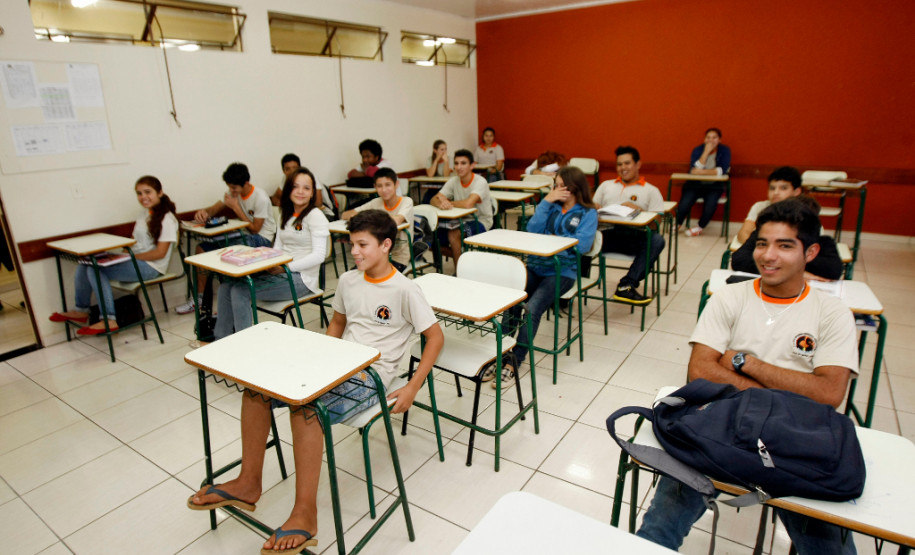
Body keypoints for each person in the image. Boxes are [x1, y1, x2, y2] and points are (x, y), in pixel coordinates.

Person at [188, 210, 444, 555]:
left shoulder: (405, 289)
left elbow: (435, 337)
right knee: (256, 391)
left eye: (362, 245)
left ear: (386, 245)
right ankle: (249, 483)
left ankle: (305, 514)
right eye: (352, 244)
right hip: (336, 364)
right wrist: (322, 356)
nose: (354, 251)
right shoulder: (349, 280)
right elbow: (338, 322)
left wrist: (412, 386)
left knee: (306, 409)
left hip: (371, 376)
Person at [636, 198, 859, 554]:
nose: (768, 256)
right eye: (761, 243)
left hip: (794, 441)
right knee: (659, 526)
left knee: (829, 546)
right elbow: (700, 371)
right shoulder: (729, 297)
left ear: (811, 252)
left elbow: (829, 393)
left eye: (784, 246)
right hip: (720, 429)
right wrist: (790, 388)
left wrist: (744, 362)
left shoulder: (832, 313)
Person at [493, 166, 597, 387]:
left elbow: (582, 245)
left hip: (562, 272)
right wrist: (546, 202)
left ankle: (514, 361)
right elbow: (533, 229)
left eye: (561, 187)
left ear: (574, 188)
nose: (556, 191)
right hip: (536, 266)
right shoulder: (551, 207)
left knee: (532, 308)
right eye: (555, 186)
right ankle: (500, 354)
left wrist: (551, 242)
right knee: (512, 301)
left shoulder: (588, 213)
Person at [49, 176, 178, 334]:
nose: (143, 197)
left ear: (159, 193)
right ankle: (81, 310)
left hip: (152, 267)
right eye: (139, 193)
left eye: (147, 192)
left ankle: (109, 319)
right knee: (85, 264)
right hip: (136, 261)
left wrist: (129, 258)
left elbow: (160, 253)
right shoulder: (143, 214)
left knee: (95, 269)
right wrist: (119, 257)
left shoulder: (167, 219)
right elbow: (133, 242)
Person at [214, 167, 328, 340]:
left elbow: (319, 256)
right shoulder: (285, 213)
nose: (300, 192)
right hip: (281, 272)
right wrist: (265, 262)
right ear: (288, 189)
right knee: (225, 287)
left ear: (312, 193)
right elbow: (278, 247)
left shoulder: (315, 216)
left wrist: (285, 267)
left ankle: (244, 344)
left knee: (240, 291)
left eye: (306, 188)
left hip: (302, 279)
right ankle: (221, 340)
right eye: (295, 186)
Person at [176, 162, 277, 314]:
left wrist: (235, 207)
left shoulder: (260, 197)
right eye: (229, 187)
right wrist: (205, 213)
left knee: (227, 252)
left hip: (261, 239)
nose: (231, 191)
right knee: (201, 249)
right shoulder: (233, 192)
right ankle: (199, 300)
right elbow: (214, 208)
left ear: (246, 184)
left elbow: (255, 229)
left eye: (234, 188)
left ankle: (230, 300)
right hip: (243, 235)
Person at [593, 146, 665, 305]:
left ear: (638, 164)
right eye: (619, 164)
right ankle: (572, 288)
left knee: (657, 240)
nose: (623, 168)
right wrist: (593, 209)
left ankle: (626, 285)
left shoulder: (651, 190)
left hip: (634, 236)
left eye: (627, 163)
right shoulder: (605, 185)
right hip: (607, 234)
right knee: (584, 236)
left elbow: (657, 224)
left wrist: (639, 211)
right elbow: (591, 212)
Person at [732, 195, 844, 281]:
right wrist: (796, 273)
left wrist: (780, 267)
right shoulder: (762, 236)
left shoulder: (823, 241)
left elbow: (834, 270)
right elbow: (739, 260)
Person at [342, 167, 414, 271]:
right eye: (379, 186)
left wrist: (370, 218)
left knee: (370, 277)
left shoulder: (406, 201)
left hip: (398, 257)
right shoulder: (376, 202)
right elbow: (345, 215)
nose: (384, 190)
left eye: (388, 185)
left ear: (396, 184)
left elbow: (396, 221)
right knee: (352, 275)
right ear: (374, 187)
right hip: (375, 256)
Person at [430, 149, 493, 267]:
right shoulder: (453, 181)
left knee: (453, 234)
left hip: (481, 221)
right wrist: (440, 203)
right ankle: (463, 259)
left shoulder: (480, 182)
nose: (459, 167)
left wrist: (448, 202)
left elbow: (468, 204)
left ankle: (459, 271)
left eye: (463, 163)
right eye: (456, 163)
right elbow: (434, 199)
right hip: (459, 220)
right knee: (432, 238)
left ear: (472, 165)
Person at [676, 127, 732, 237]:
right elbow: (693, 170)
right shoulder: (698, 150)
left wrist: (701, 172)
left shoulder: (724, 150)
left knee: (711, 204)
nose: (711, 140)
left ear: (719, 140)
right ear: (704, 139)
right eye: (708, 137)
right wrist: (706, 152)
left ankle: (699, 227)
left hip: (714, 186)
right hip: (695, 184)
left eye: (714, 138)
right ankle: (678, 223)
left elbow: (722, 170)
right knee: (685, 202)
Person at [736, 165, 803, 244]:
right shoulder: (760, 207)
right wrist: (761, 247)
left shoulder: (804, 211)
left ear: (796, 192)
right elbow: (743, 233)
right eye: (772, 188)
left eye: (783, 188)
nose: (776, 192)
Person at [271, 153, 335, 219]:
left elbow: (318, 203)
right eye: (287, 169)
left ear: (300, 168)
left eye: (294, 168)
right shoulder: (287, 178)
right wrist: (278, 202)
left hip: (323, 213)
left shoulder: (309, 177)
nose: (291, 172)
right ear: (283, 171)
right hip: (300, 213)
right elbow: (275, 197)